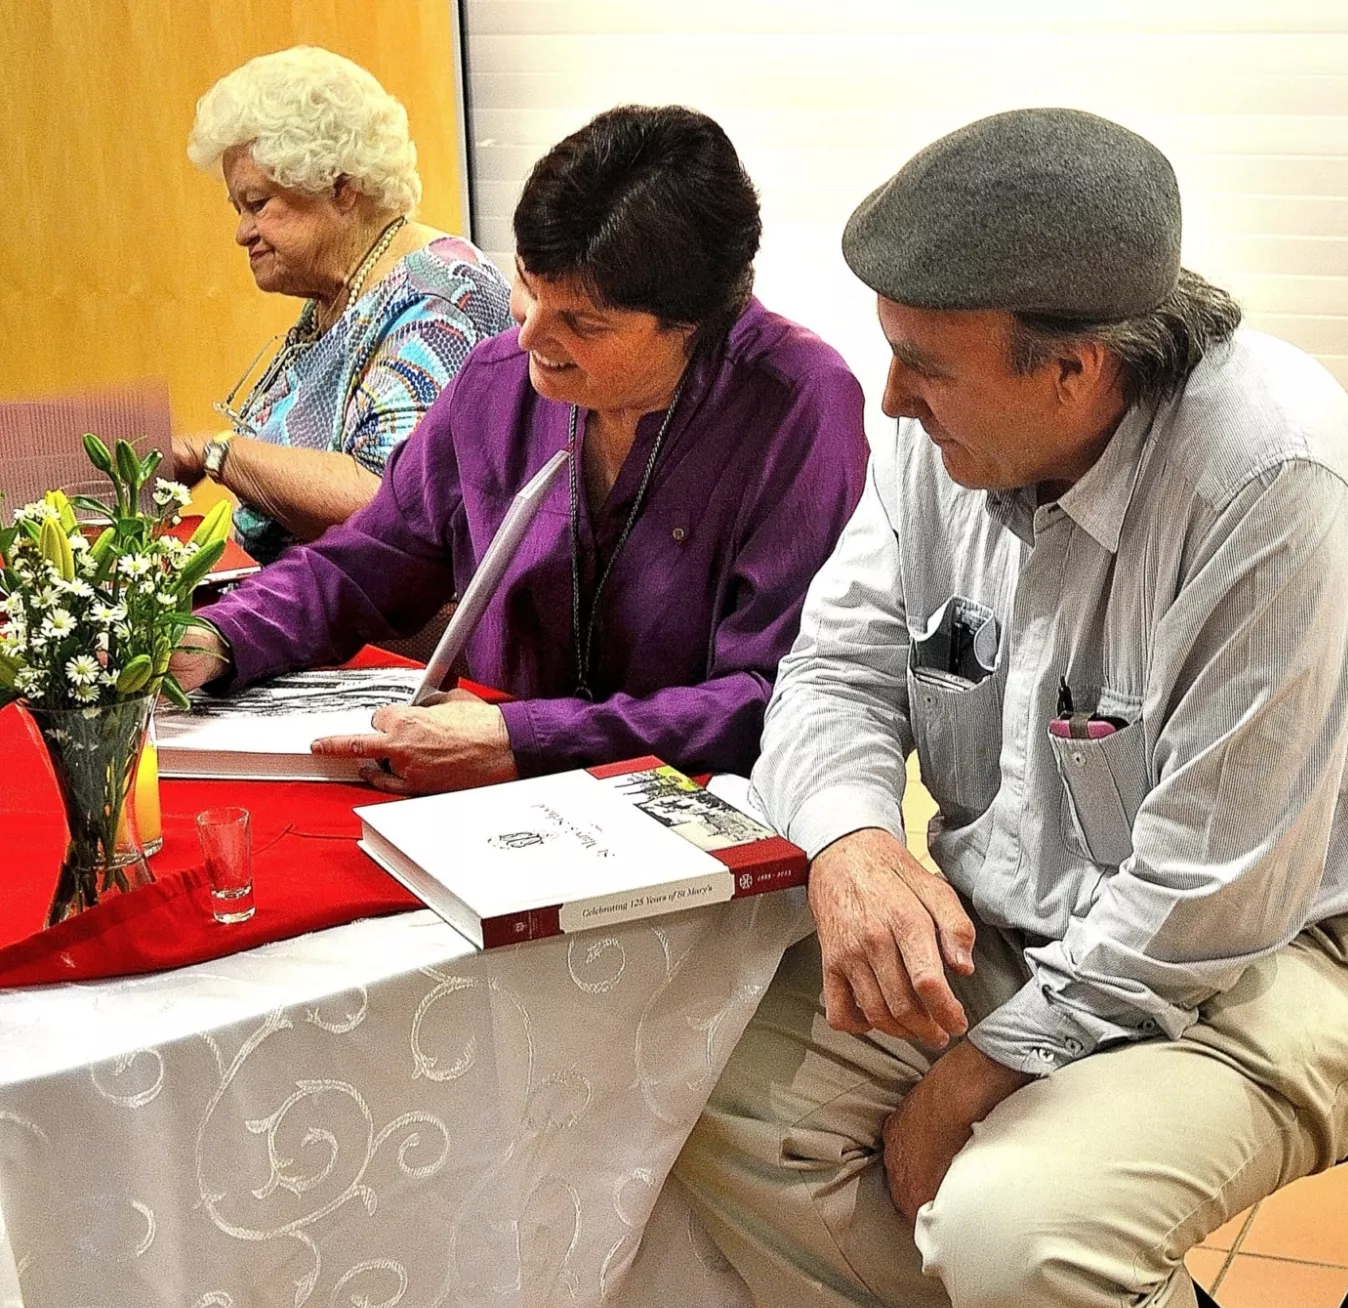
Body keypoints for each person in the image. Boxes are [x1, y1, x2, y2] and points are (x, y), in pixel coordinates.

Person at [674, 109, 1348, 1308]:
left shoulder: (1271, 477)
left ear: (1076, 366)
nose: (888, 395)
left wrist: (977, 1073)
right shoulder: (944, 435)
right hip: (1049, 928)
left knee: (1018, 1221)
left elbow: (1213, 888)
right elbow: (834, 674)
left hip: (1301, 959)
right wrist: (852, 840)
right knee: (714, 1100)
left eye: (923, 362)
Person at [172, 105, 869, 793]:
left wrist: (526, 738)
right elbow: (364, 565)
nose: (530, 336)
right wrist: (221, 639)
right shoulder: (496, 379)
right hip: (497, 796)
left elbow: (775, 695)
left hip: (705, 811)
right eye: (526, 287)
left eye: (582, 322)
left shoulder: (799, 404)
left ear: (695, 323)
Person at [176, 47, 512, 563]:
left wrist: (218, 453)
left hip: (392, 612)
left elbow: (386, 504)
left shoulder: (438, 296)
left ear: (341, 188)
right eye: (238, 209)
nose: (243, 232)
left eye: (258, 204)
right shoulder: (339, 297)